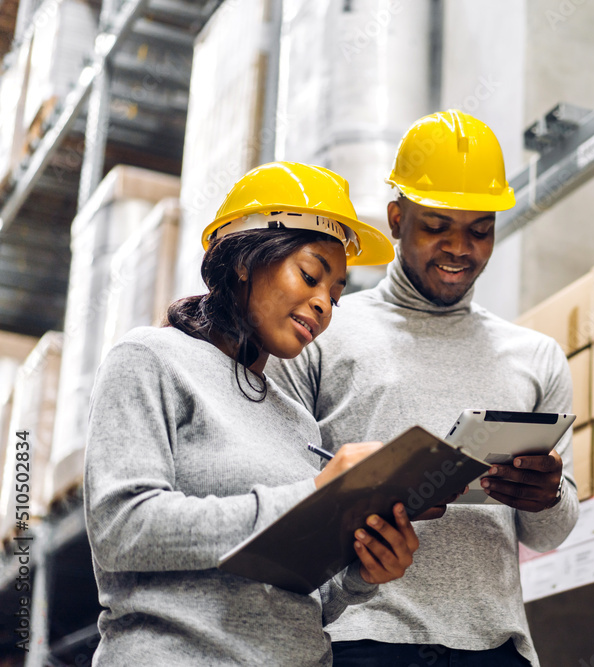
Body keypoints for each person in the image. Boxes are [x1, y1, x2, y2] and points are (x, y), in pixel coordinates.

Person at [269, 111, 579, 666]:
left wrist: (548, 496)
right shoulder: (320, 331)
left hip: (494, 648)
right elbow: (275, 502)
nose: (460, 247)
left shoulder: (535, 358)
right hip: (360, 638)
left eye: (479, 229)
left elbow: (549, 534)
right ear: (395, 218)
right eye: (437, 225)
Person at [84, 162, 418, 666]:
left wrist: (360, 575)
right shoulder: (151, 360)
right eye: (310, 275)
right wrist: (308, 498)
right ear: (246, 260)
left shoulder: (298, 421)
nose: (324, 304)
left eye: (335, 293)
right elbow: (121, 529)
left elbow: (295, 595)